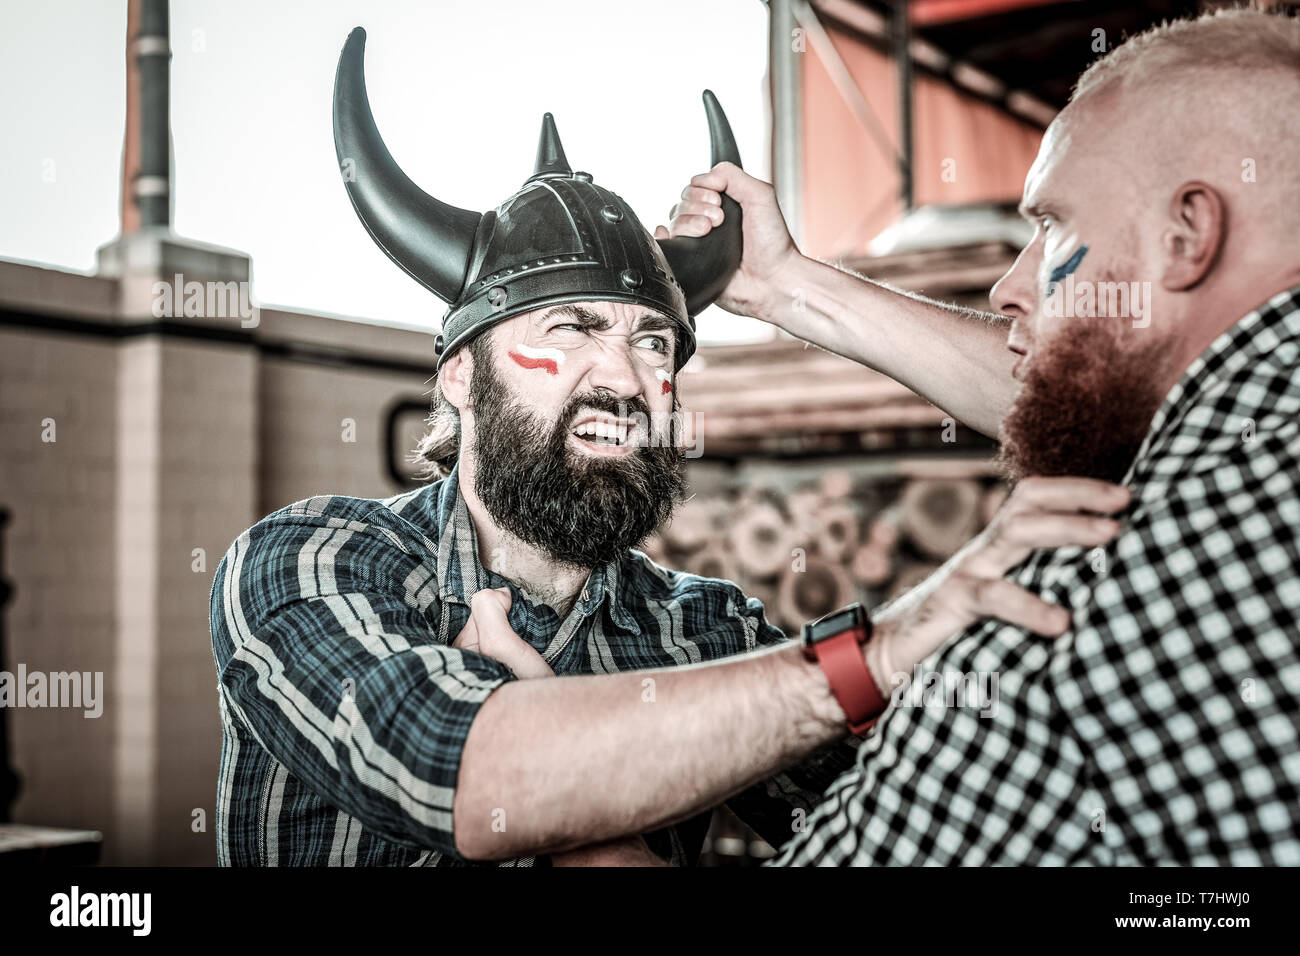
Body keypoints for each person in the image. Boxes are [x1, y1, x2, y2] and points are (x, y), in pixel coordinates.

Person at [208, 27, 1123, 866]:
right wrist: (872, 654)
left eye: (654, 344)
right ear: (456, 376)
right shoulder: (312, 561)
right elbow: (453, 769)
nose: (623, 379)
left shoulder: (703, 629)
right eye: (569, 327)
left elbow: (909, 833)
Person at [656, 7, 1300, 863]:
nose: (1006, 286)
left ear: (1187, 234)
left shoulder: (1105, 581)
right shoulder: (1252, 435)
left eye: (1053, 226)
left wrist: (596, 842)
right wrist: (784, 288)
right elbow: (1094, 386)